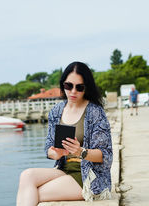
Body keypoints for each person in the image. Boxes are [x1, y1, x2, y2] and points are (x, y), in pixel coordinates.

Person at [16, 62, 113, 205]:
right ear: (63, 85)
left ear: (86, 88)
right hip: (64, 170)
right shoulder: (56, 110)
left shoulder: (95, 112)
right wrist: (56, 153)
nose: (73, 91)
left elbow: (106, 155)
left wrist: (81, 151)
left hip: (89, 176)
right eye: (69, 86)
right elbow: (48, 147)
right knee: (26, 176)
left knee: (34, 192)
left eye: (79, 87)